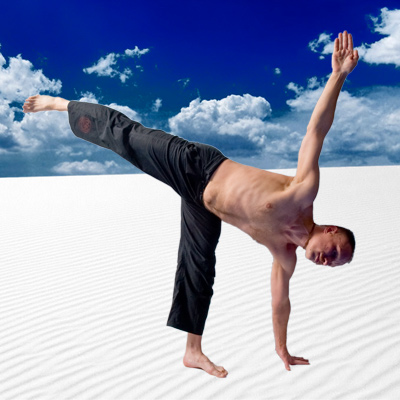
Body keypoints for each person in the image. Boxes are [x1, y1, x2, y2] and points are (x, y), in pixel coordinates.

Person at [23, 31, 358, 378]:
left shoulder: (284, 255)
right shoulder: (303, 194)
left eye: (334, 264)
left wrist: (282, 348)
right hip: (196, 165)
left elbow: (280, 303)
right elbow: (315, 132)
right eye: (334, 251)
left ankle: (192, 352)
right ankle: (59, 104)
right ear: (330, 229)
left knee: (200, 268)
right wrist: (338, 76)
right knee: (128, 136)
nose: (328, 260)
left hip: (203, 206)